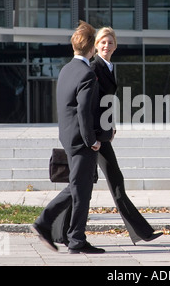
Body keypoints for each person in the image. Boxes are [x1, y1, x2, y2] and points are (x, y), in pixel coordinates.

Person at [31, 21, 112, 254]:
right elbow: (84, 111)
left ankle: (70, 235)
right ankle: (63, 233)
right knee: (81, 190)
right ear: (91, 49)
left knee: (79, 186)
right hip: (81, 140)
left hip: (67, 137)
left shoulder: (66, 69)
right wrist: (92, 140)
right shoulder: (87, 74)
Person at [90, 27, 163, 244]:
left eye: (110, 42)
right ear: (95, 45)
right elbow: (91, 103)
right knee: (83, 184)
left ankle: (141, 232)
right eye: (102, 42)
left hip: (101, 134)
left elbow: (107, 102)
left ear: (115, 45)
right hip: (92, 136)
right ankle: (51, 226)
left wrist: (110, 126)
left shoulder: (110, 67)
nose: (106, 45)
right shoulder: (94, 67)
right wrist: (95, 133)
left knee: (114, 180)